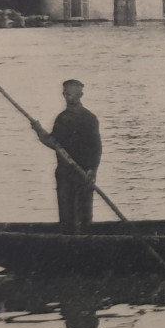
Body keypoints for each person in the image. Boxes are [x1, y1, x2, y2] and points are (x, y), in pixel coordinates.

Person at [32, 79, 102, 232]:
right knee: (85, 218)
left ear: (80, 95)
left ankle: (72, 242)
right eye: (64, 93)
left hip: (70, 174)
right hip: (85, 173)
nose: (66, 96)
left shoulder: (65, 118)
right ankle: (85, 239)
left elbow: (52, 143)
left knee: (68, 219)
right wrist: (92, 170)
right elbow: (97, 148)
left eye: (69, 93)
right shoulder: (90, 117)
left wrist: (38, 130)